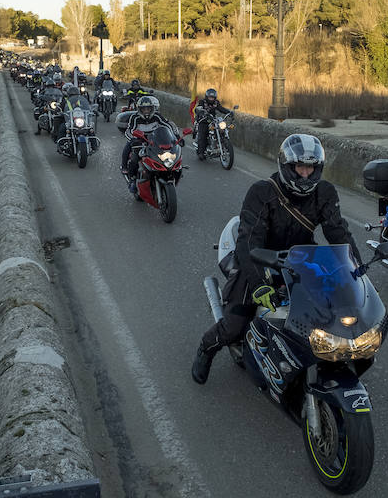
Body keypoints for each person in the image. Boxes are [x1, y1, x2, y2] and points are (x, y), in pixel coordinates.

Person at [191, 133, 362, 384]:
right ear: (287, 166)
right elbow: (249, 242)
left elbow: (339, 233)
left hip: (302, 258)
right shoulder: (262, 192)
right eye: (300, 167)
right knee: (235, 324)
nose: (305, 174)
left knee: (334, 309)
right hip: (260, 260)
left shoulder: (324, 191)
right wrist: (260, 283)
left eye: (311, 168)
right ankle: (206, 348)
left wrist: (356, 271)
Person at [121, 96, 179, 193]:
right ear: (139, 109)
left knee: (165, 155)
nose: (146, 111)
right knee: (132, 155)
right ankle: (131, 177)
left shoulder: (157, 116)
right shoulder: (135, 118)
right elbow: (129, 130)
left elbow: (167, 125)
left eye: (148, 108)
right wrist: (133, 139)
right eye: (144, 109)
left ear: (152, 108)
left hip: (155, 140)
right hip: (139, 140)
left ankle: (169, 172)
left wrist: (176, 136)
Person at [191, 88, 231, 160]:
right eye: (210, 97)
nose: (211, 99)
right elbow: (197, 109)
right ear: (207, 97)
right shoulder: (202, 102)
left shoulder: (216, 103)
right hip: (203, 120)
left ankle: (221, 145)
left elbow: (221, 108)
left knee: (221, 129)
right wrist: (200, 111)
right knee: (203, 134)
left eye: (212, 97)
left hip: (213, 120)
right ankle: (201, 152)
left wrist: (229, 112)